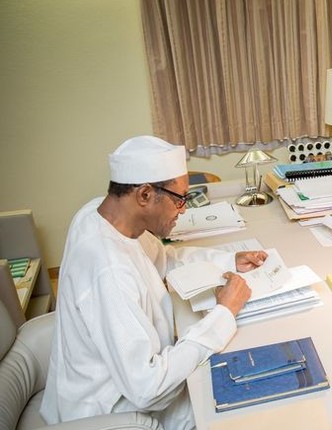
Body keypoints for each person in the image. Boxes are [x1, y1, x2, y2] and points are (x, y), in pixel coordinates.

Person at [41, 136, 266, 430]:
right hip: (112, 411)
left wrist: (227, 261)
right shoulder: (107, 269)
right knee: (243, 406)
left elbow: (162, 259)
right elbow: (149, 389)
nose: (183, 209)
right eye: (179, 199)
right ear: (145, 195)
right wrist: (223, 314)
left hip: (125, 383)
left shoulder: (101, 214)